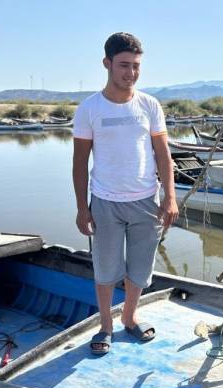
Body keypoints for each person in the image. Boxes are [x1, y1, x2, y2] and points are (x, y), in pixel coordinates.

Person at [72, 32, 179, 355]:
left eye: (135, 66)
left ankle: (130, 317)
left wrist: (170, 197)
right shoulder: (89, 109)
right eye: (123, 65)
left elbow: (163, 156)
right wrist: (82, 208)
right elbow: (79, 163)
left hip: (146, 201)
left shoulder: (149, 105)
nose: (130, 73)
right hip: (105, 202)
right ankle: (105, 325)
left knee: (140, 267)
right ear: (107, 64)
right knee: (105, 268)